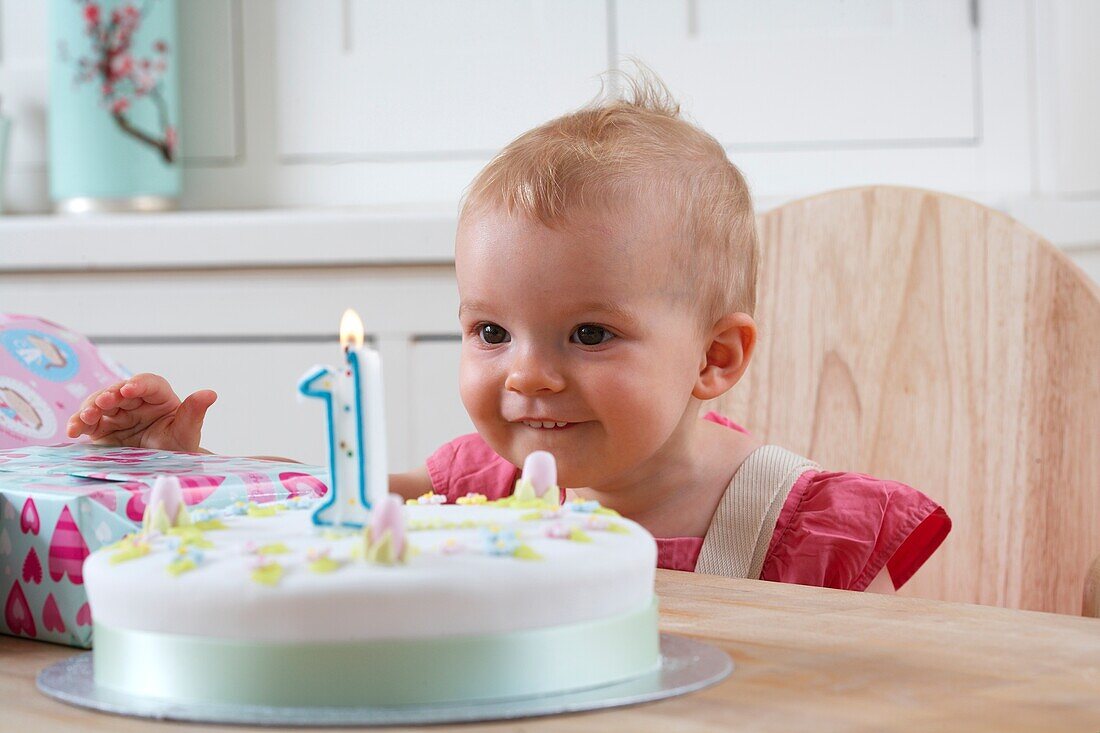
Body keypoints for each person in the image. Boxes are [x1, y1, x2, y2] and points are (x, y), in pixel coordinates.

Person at [67, 71, 949, 593]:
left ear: (715, 360)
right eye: (491, 330)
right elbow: (321, 507)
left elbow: (876, 689)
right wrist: (183, 469)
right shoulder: (478, 486)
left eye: (590, 334)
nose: (528, 375)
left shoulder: (812, 533)